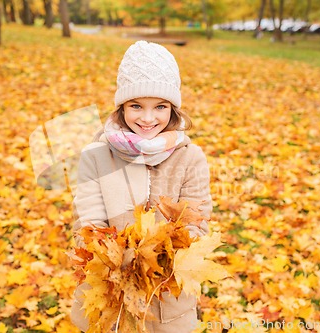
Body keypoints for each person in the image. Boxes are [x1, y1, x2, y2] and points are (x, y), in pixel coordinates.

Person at [70, 40, 212, 333]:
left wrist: (156, 258)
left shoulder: (190, 158)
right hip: (110, 294)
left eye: (160, 107)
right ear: (122, 106)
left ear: (172, 109)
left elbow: (197, 224)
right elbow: (86, 221)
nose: (148, 119)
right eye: (136, 106)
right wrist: (115, 257)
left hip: (166, 295)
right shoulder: (96, 155)